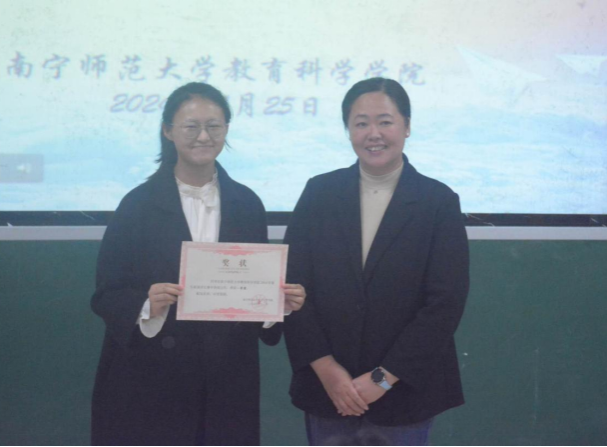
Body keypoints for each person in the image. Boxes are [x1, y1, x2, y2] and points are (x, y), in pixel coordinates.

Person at [91, 82, 306, 446]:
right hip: (151, 383)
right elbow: (106, 293)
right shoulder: (137, 205)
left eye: (214, 126)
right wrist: (145, 304)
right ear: (168, 130)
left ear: (226, 129)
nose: (204, 136)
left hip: (227, 385)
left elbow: (255, 287)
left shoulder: (247, 204)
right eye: (191, 126)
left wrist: (275, 304)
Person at [283, 77, 470, 446]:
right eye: (361, 123)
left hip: (405, 395)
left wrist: (381, 379)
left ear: (407, 126)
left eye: (385, 121)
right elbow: (291, 288)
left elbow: (444, 304)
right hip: (329, 391)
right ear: (348, 129)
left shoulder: (438, 202)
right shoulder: (319, 193)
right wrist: (326, 368)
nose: (374, 134)